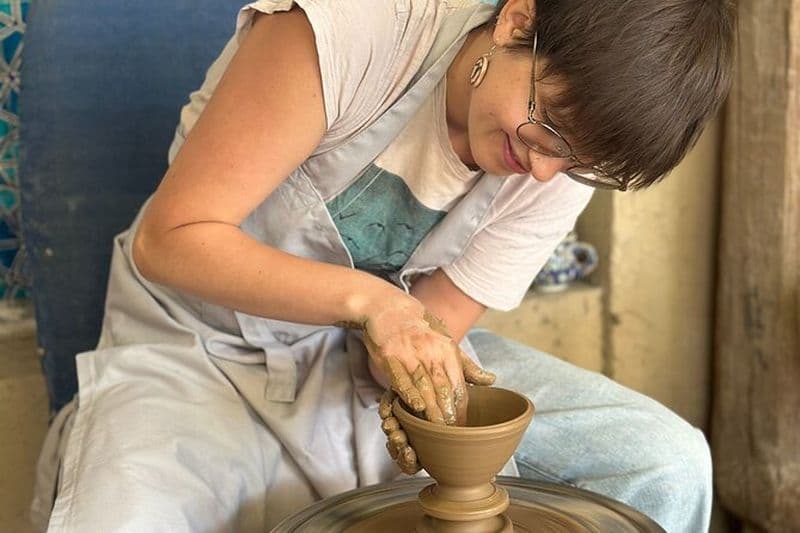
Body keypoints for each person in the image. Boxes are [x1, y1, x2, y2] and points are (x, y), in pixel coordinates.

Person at [31, 0, 735, 531]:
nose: (546, 170)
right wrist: (375, 304)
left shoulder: (560, 163)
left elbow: (435, 322)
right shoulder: (358, 28)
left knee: (665, 463)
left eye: (575, 159)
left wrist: (415, 379)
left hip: (352, 365)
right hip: (197, 346)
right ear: (518, 20)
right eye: (547, 122)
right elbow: (170, 239)